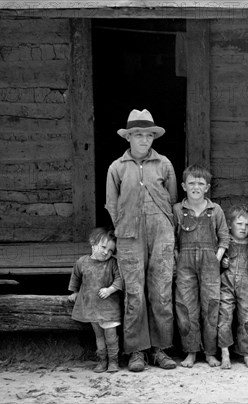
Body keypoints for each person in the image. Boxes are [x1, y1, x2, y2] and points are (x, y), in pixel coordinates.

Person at [106, 109, 178, 372]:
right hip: (129, 237)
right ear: (128, 138)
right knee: (134, 293)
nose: (144, 140)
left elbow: (171, 201)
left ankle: (160, 350)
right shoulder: (117, 167)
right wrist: (124, 228)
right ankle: (137, 351)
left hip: (161, 234)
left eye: (148, 135)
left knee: (160, 292)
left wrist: (166, 231)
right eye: (138, 135)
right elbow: (112, 205)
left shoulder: (164, 164)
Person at [173, 164, 230, 368]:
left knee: (211, 307)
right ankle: (190, 352)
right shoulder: (178, 210)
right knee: (186, 308)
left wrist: (217, 256)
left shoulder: (215, 210)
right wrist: (177, 258)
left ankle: (210, 353)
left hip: (210, 263)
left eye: (200, 183)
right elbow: (172, 239)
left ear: (207, 187)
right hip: (184, 264)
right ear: (183, 185)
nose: (195, 187)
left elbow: (224, 236)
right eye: (191, 183)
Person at [68, 227, 123, 373]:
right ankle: (102, 361)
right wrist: (75, 292)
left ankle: (113, 362)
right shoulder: (82, 262)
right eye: (103, 247)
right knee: (99, 336)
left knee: (111, 336)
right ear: (93, 243)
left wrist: (110, 289)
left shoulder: (112, 263)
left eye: (111, 250)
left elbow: (120, 279)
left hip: (109, 308)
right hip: (92, 308)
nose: (106, 252)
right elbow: (76, 277)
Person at [218, 205, 248, 369]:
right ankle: (224, 352)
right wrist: (223, 263)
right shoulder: (225, 242)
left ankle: (247, 353)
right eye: (239, 224)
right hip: (226, 285)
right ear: (229, 225)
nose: (244, 228)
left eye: (247, 225)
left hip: (246, 287)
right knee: (224, 317)